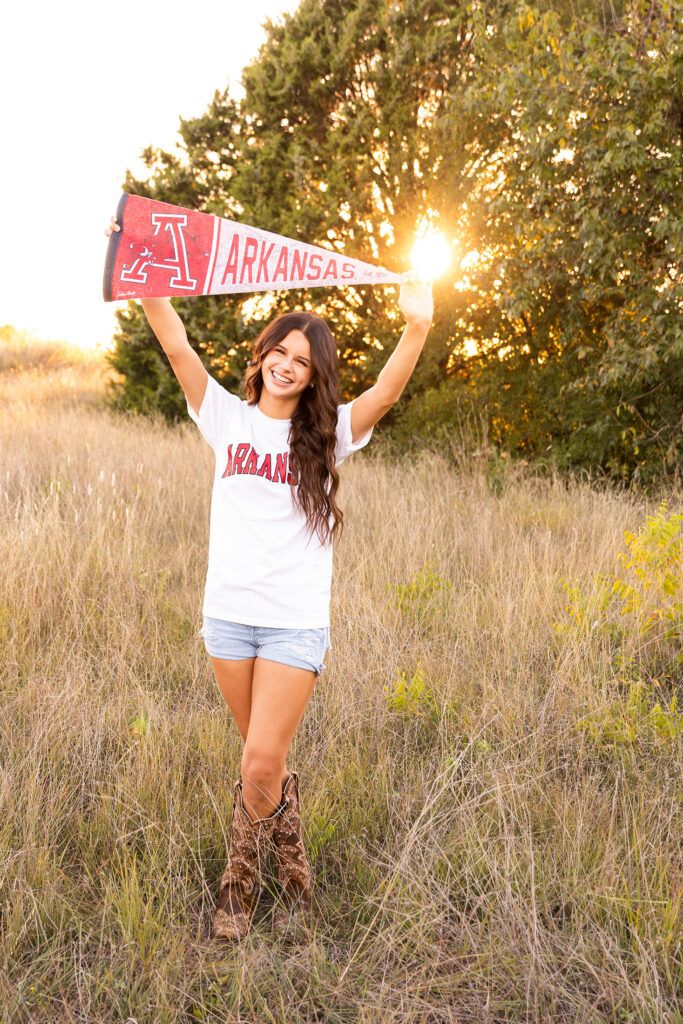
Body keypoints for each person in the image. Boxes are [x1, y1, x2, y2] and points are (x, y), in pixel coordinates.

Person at [105, 216, 433, 940]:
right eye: (280, 351)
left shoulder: (327, 433)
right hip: (226, 617)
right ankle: (296, 865)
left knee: (257, 760)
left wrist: (416, 326)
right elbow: (175, 342)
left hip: (292, 622)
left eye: (302, 360)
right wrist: (140, 259)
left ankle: (238, 883)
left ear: (314, 375)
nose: (288, 365)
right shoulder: (224, 417)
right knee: (268, 763)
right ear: (263, 355)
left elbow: (383, 393)